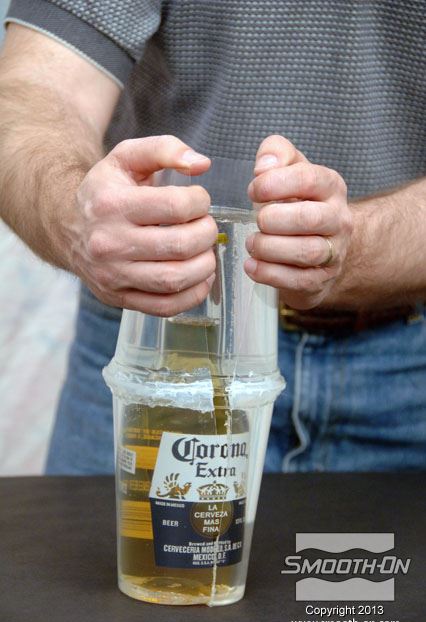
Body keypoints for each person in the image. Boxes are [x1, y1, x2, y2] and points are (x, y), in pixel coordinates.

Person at [0, 1, 425, 474]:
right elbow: (31, 93)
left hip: (407, 377)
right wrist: (74, 213)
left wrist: (358, 246)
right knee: (98, 529)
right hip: (155, 343)